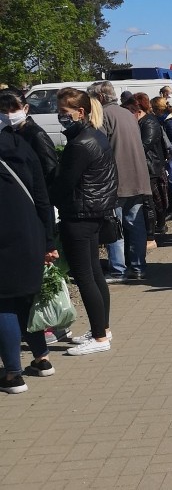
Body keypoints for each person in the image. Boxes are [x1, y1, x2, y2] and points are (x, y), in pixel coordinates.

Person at [50, 88, 117, 355]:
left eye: (64, 113)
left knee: (85, 276)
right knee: (94, 274)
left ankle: (100, 337)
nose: (60, 117)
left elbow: (64, 184)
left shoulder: (80, 144)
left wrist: (50, 196)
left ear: (80, 112)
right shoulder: (95, 136)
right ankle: (103, 328)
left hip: (79, 214)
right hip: (93, 212)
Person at [0, 132, 58, 392]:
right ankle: (42, 358)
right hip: (31, 233)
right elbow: (42, 196)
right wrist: (48, 240)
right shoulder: (20, 144)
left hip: (4, 237)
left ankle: (13, 374)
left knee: (4, 303)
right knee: (27, 298)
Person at [88, 81, 151, 283]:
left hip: (117, 180)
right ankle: (138, 267)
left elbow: (99, 149)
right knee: (135, 224)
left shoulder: (103, 115)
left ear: (100, 98)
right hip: (137, 177)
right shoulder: (128, 114)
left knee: (115, 226)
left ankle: (118, 269)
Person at [126, 93, 170, 237]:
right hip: (146, 165)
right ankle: (155, 227)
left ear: (138, 108)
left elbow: (144, 145)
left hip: (151, 167)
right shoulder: (139, 121)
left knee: (150, 200)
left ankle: (153, 231)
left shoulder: (149, 122)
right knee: (150, 199)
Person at [0, 87, 59, 186]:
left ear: (25, 108)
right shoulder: (7, 131)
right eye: (4, 111)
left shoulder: (37, 135)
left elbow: (50, 170)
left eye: (14, 110)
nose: (9, 116)